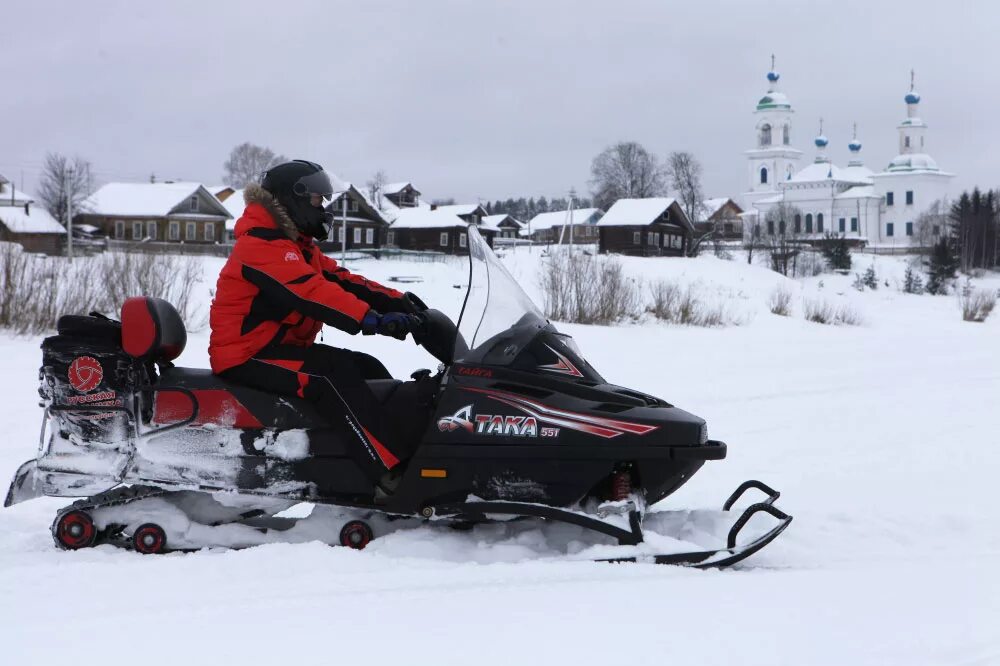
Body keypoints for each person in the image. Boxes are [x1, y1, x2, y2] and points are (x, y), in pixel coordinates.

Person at [208, 160, 427, 492]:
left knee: (365, 367)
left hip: (279, 347)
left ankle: (369, 453)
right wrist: (372, 320)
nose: (323, 208)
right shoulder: (260, 245)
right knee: (331, 375)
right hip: (245, 355)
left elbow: (341, 279)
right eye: (317, 199)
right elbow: (312, 293)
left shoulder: (295, 246)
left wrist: (399, 301)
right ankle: (392, 473)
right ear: (292, 198)